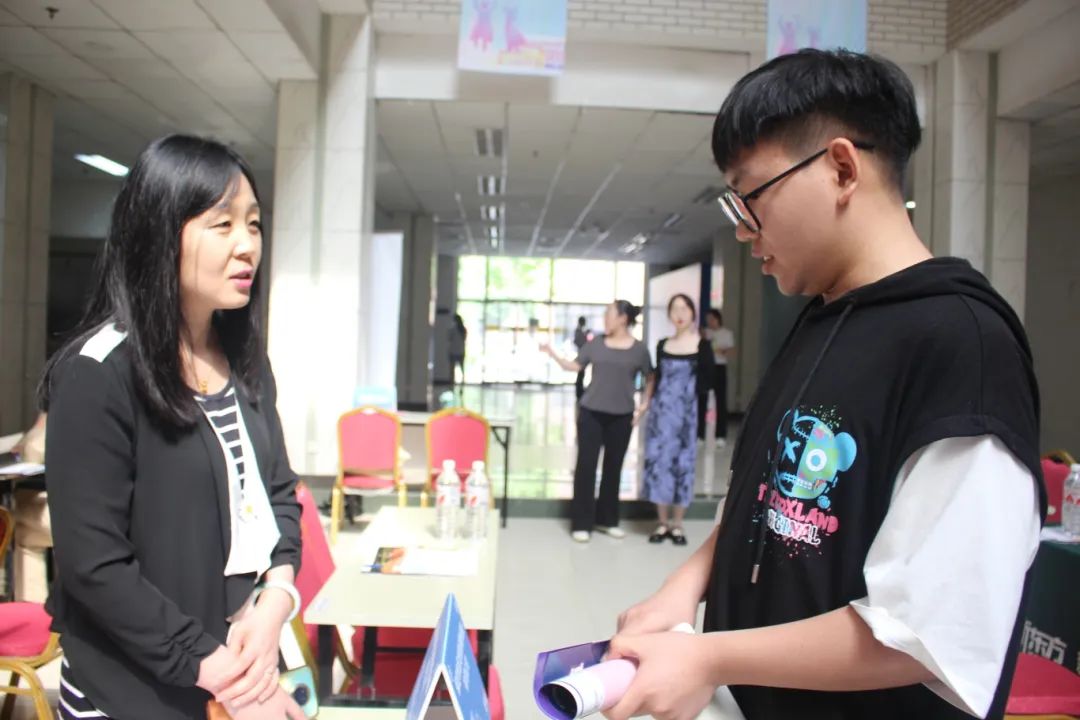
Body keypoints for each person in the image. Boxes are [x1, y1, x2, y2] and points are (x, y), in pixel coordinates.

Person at [603, 50, 1043, 720]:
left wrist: (709, 658)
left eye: (750, 196)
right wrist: (686, 585)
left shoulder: (964, 346)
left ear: (841, 168)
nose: (743, 229)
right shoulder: (823, 319)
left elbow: (926, 631)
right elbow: (767, 499)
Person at [40, 135, 305, 720]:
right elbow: (95, 566)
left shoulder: (245, 361)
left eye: (254, 224)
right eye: (223, 224)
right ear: (160, 233)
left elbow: (280, 494)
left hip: (233, 676)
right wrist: (231, 681)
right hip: (135, 692)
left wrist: (277, 598)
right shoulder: (98, 373)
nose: (247, 245)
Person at [541, 301, 653, 543]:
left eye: (608, 314)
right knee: (586, 466)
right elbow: (574, 365)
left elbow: (650, 377)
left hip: (622, 416)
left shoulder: (639, 350)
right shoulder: (596, 344)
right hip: (591, 413)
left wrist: (644, 406)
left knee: (614, 468)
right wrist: (552, 353)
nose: (604, 318)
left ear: (623, 318)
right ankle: (581, 523)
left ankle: (607, 520)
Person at [641, 294, 713, 546]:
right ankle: (662, 523)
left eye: (684, 308)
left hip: (686, 417)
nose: (680, 314)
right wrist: (645, 405)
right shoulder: (662, 345)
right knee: (659, 464)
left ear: (693, 313)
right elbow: (656, 378)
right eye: (675, 309)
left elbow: (708, 383)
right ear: (669, 315)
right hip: (660, 416)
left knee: (683, 465)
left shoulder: (702, 345)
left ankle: (678, 524)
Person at [9, 412, 51, 602]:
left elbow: (35, 447)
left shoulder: (61, 406)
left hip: (78, 514)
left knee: (15, 526)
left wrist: (25, 443)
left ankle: (31, 606)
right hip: (119, 509)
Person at [700, 308, 735, 448]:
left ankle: (720, 435)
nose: (709, 321)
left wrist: (716, 348)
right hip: (705, 368)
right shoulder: (705, 333)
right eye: (707, 319)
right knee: (702, 400)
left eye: (711, 319)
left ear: (717, 319)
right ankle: (700, 435)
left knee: (721, 401)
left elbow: (729, 351)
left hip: (719, 367)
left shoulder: (726, 333)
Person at [573, 315, 591, 401]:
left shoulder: (581, 331)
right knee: (580, 374)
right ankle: (579, 391)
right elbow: (578, 341)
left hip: (583, 354)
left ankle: (579, 391)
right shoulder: (578, 331)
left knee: (581, 374)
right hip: (581, 355)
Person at [448, 313, 467, 391]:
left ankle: (452, 384)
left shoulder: (452, 329)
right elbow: (464, 339)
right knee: (462, 368)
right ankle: (462, 382)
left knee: (452, 369)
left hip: (453, 351)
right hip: (461, 351)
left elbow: (449, 338)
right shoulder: (463, 329)